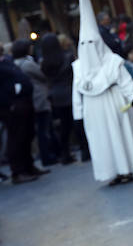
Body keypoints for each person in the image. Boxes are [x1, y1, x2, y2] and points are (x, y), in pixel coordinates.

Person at [73, 0, 133, 186]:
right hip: (93, 109)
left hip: (114, 103)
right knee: (101, 140)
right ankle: (111, 172)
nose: (89, 48)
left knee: (120, 137)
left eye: (92, 43)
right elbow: (75, 92)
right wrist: (78, 112)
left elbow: (124, 80)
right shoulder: (78, 67)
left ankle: (126, 169)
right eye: (84, 44)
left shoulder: (112, 61)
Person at [12, 39, 58, 167]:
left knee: (43, 129)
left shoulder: (17, 63)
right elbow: (42, 75)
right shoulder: (27, 64)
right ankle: (47, 156)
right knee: (44, 129)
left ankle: (50, 153)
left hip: (33, 99)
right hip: (39, 98)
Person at [0, 55, 45, 183]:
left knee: (26, 135)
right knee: (16, 138)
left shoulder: (6, 60)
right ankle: (18, 171)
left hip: (22, 103)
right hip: (10, 107)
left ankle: (28, 166)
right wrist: (9, 104)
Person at [40, 33, 76, 164]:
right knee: (76, 122)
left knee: (64, 125)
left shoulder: (44, 63)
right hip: (70, 92)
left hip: (55, 96)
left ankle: (65, 152)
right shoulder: (67, 57)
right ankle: (84, 150)